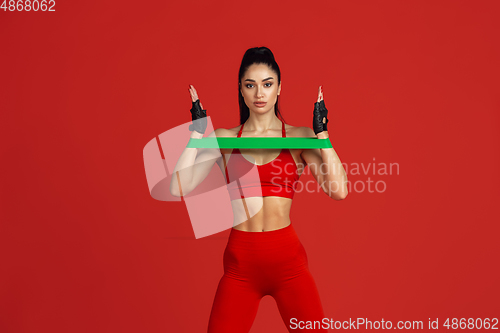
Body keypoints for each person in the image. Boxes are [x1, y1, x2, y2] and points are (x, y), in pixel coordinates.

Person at [170, 46, 348, 332]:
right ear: (241, 90)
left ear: (279, 88)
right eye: (250, 85)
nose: (259, 93)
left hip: (287, 262)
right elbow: (179, 186)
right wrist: (196, 134)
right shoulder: (225, 139)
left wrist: (323, 136)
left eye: (267, 84)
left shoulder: (300, 136)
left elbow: (339, 190)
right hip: (241, 265)